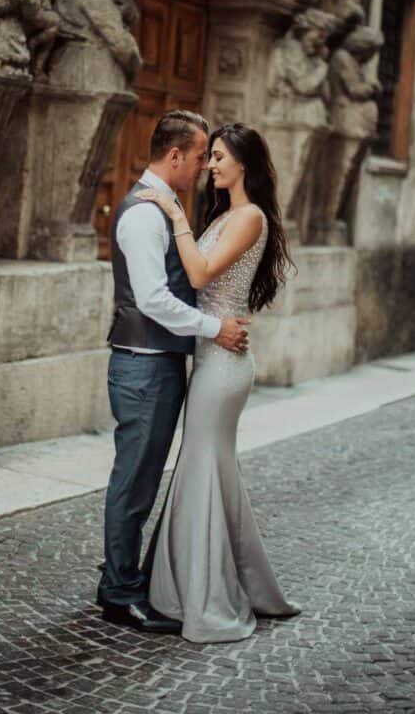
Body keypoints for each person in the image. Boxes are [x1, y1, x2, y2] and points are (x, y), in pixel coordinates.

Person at [137, 123, 301, 643]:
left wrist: (173, 216)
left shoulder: (250, 217)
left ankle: (202, 597)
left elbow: (204, 275)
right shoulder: (227, 215)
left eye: (220, 157)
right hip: (211, 353)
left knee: (202, 467)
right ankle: (236, 583)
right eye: (209, 157)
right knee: (211, 468)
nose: (210, 165)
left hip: (226, 365)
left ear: (244, 164)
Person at [97, 110, 251, 634]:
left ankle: (120, 577)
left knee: (140, 479)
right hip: (143, 367)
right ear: (177, 155)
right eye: (202, 154)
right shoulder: (144, 215)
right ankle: (118, 594)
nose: (206, 164)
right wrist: (214, 328)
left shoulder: (167, 211)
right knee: (134, 482)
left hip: (159, 364)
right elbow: (154, 299)